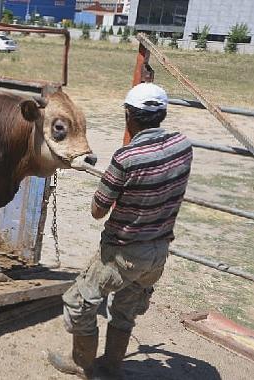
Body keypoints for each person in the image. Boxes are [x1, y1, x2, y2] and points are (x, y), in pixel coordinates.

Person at [47, 83, 193, 379]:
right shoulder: (183, 146)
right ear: (162, 114)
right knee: (125, 309)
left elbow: (98, 210)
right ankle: (112, 368)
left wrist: (110, 179)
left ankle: (83, 365)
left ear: (130, 116)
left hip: (123, 253)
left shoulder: (126, 158)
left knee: (79, 302)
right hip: (159, 251)